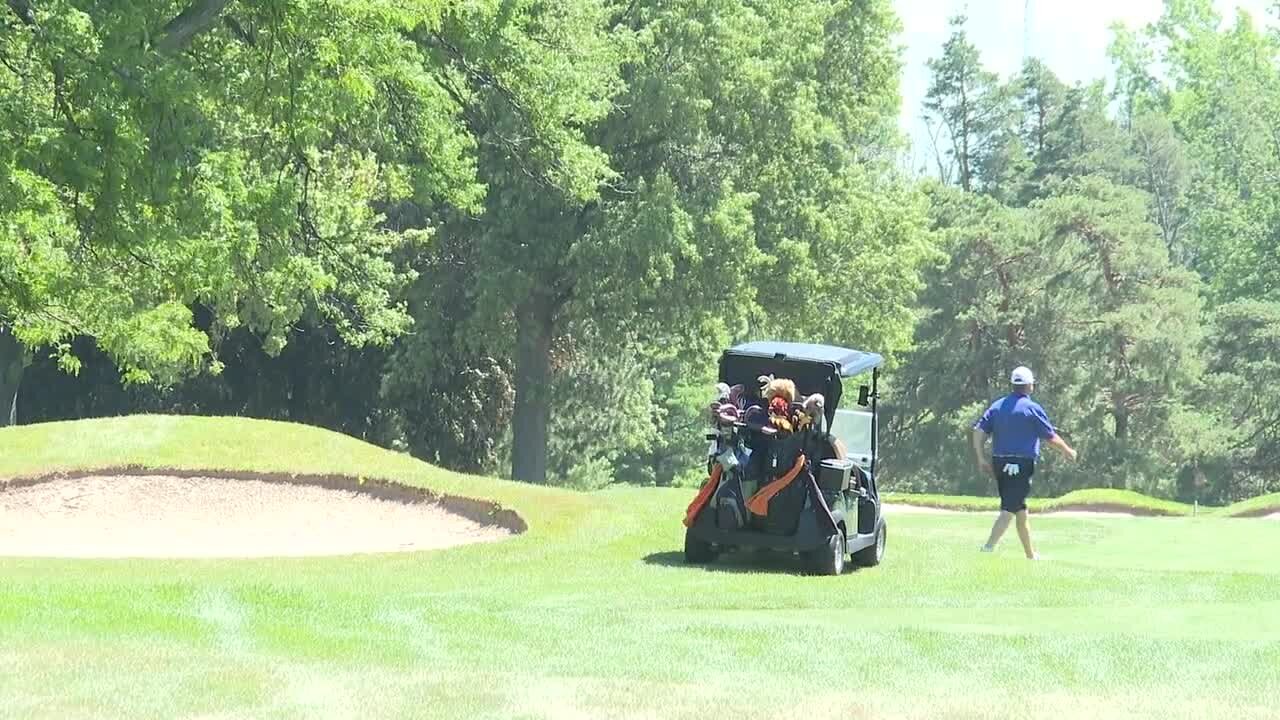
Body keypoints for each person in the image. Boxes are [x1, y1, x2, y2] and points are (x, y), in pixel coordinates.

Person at [972, 366, 1077, 559]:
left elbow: (979, 431)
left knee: (1019, 509)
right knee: (1009, 510)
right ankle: (987, 549)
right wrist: (1067, 451)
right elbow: (1050, 437)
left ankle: (1031, 555)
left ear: (1013, 384)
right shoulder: (1032, 408)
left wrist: (980, 458)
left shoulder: (997, 406)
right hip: (1019, 465)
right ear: (1029, 385)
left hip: (999, 463)